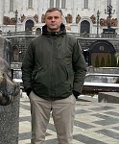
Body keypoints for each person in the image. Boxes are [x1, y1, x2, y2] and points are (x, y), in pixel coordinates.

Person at [21, 8, 87, 144]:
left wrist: (75, 92)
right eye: (49, 17)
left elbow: (81, 68)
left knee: (65, 139)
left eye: (56, 17)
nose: (52, 20)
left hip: (65, 97)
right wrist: (29, 90)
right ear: (44, 20)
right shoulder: (35, 43)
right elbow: (26, 67)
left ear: (61, 19)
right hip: (39, 97)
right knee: (37, 138)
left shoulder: (72, 42)